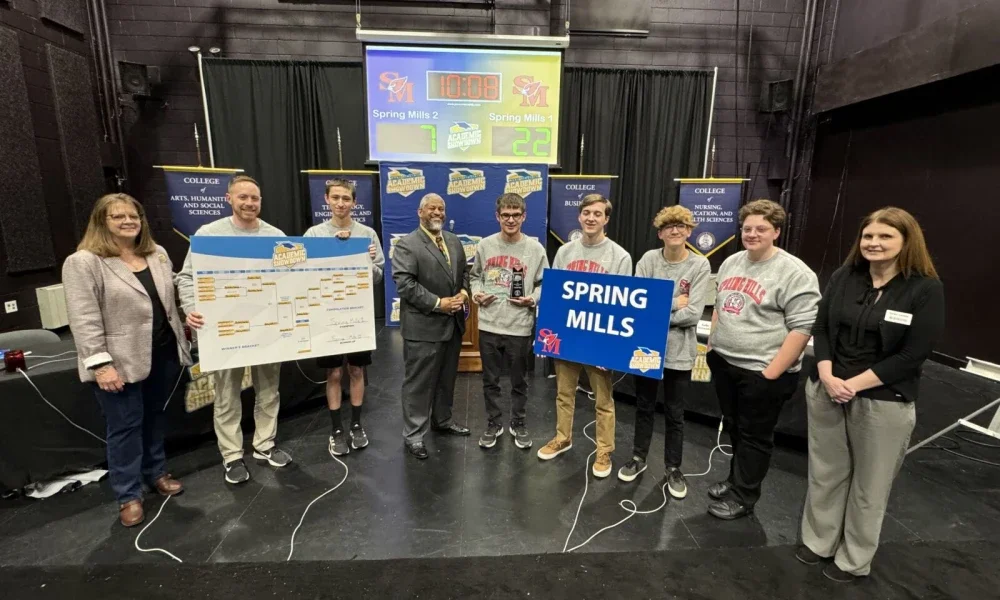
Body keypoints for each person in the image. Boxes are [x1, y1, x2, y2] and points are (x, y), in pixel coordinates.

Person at [797, 207, 944, 583]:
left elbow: (913, 354)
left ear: (907, 241)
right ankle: (819, 542)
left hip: (883, 399)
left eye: (885, 236)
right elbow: (821, 328)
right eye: (868, 236)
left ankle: (853, 559)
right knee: (826, 474)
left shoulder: (925, 289)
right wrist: (827, 374)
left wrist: (853, 385)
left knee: (870, 486)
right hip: (827, 388)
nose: (874, 243)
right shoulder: (844, 276)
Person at [62, 194, 191, 527]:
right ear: (101, 222)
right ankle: (128, 494)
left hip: (162, 353)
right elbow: (83, 318)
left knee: (155, 418)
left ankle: (156, 472)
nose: (128, 221)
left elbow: (171, 295)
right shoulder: (83, 262)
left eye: (133, 215)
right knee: (125, 427)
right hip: (118, 362)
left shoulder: (157, 253)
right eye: (118, 216)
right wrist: (100, 364)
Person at [705, 198, 820, 519]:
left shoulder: (795, 273)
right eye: (747, 228)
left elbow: (802, 329)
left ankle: (744, 496)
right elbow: (719, 306)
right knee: (735, 428)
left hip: (763, 372)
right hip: (726, 363)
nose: (752, 234)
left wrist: (771, 373)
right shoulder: (732, 262)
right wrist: (713, 344)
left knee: (755, 437)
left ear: (776, 232)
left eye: (761, 229)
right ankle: (735, 480)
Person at [175, 175, 293, 484]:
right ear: (229, 199)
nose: (249, 203)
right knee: (227, 395)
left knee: (269, 391)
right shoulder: (209, 234)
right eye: (243, 197)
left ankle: (265, 445)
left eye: (254, 198)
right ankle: (231, 455)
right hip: (224, 330)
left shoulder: (275, 236)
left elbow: (292, 278)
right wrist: (191, 309)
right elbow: (186, 277)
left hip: (266, 329)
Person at [536, 194, 632, 478]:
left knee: (603, 400)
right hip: (568, 335)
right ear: (579, 216)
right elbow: (555, 295)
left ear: (606, 219)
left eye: (597, 213)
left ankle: (604, 450)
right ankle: (562, 438)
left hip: (599, 340)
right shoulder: (565, 252)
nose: (591, 218)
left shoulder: (620, 256)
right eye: (587, 212)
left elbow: (622, 306)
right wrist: (548, 336)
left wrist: (611, 349)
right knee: (564, 394)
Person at [619, 205, 711, 498]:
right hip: (647, 347)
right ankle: (638, 457)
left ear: (689, 231)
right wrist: (673, 302)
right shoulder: (648, 260)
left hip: (680, 352)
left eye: (681, 225)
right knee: (644, 406)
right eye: (669, 226)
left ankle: (673, 467)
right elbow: (639, 306)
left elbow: (693, 314)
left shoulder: (699, 265)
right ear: (660, 233)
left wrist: (656, 309)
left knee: (674, 412)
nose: (675, 230)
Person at [303, 179, 385, 457]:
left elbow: (378, 276)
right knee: (334, 373)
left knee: (357, 370)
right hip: (327, 314)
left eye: (346, 198)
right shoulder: (314, 234)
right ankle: (337, 429)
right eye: (336, 197)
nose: (341, 203)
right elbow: (303, 272)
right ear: (327, 199)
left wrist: (366, 261)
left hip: (357, 314)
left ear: (354, 202)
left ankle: (357, 425)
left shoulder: (367, 234)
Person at [391, 193, 472, 459]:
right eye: (431, 208)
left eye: (441, 208)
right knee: (418, 383)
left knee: (446, 379)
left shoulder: (453, 241)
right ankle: (414, 435)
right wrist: (439, 303)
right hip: (423, 328)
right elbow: (405, 285)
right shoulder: (407, 244)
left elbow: (464, 273)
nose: (437, 213)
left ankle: (442, 420)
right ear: (420, 212)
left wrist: (463, 293)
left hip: (453, 326)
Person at [469, 193, 548, 450]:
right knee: (490, 380)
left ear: (524, 216)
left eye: (516, 215)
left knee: (519, 380)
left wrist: (532, 299)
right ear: (498, 216)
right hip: (489, 323)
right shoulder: (485, 245)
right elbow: (474, 276)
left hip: (519, 325)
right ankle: (494, 423)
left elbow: (544, 284)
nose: (511, 220)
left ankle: (518, 422)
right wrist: (476, 294)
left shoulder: (535, 249)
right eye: (506, 215)